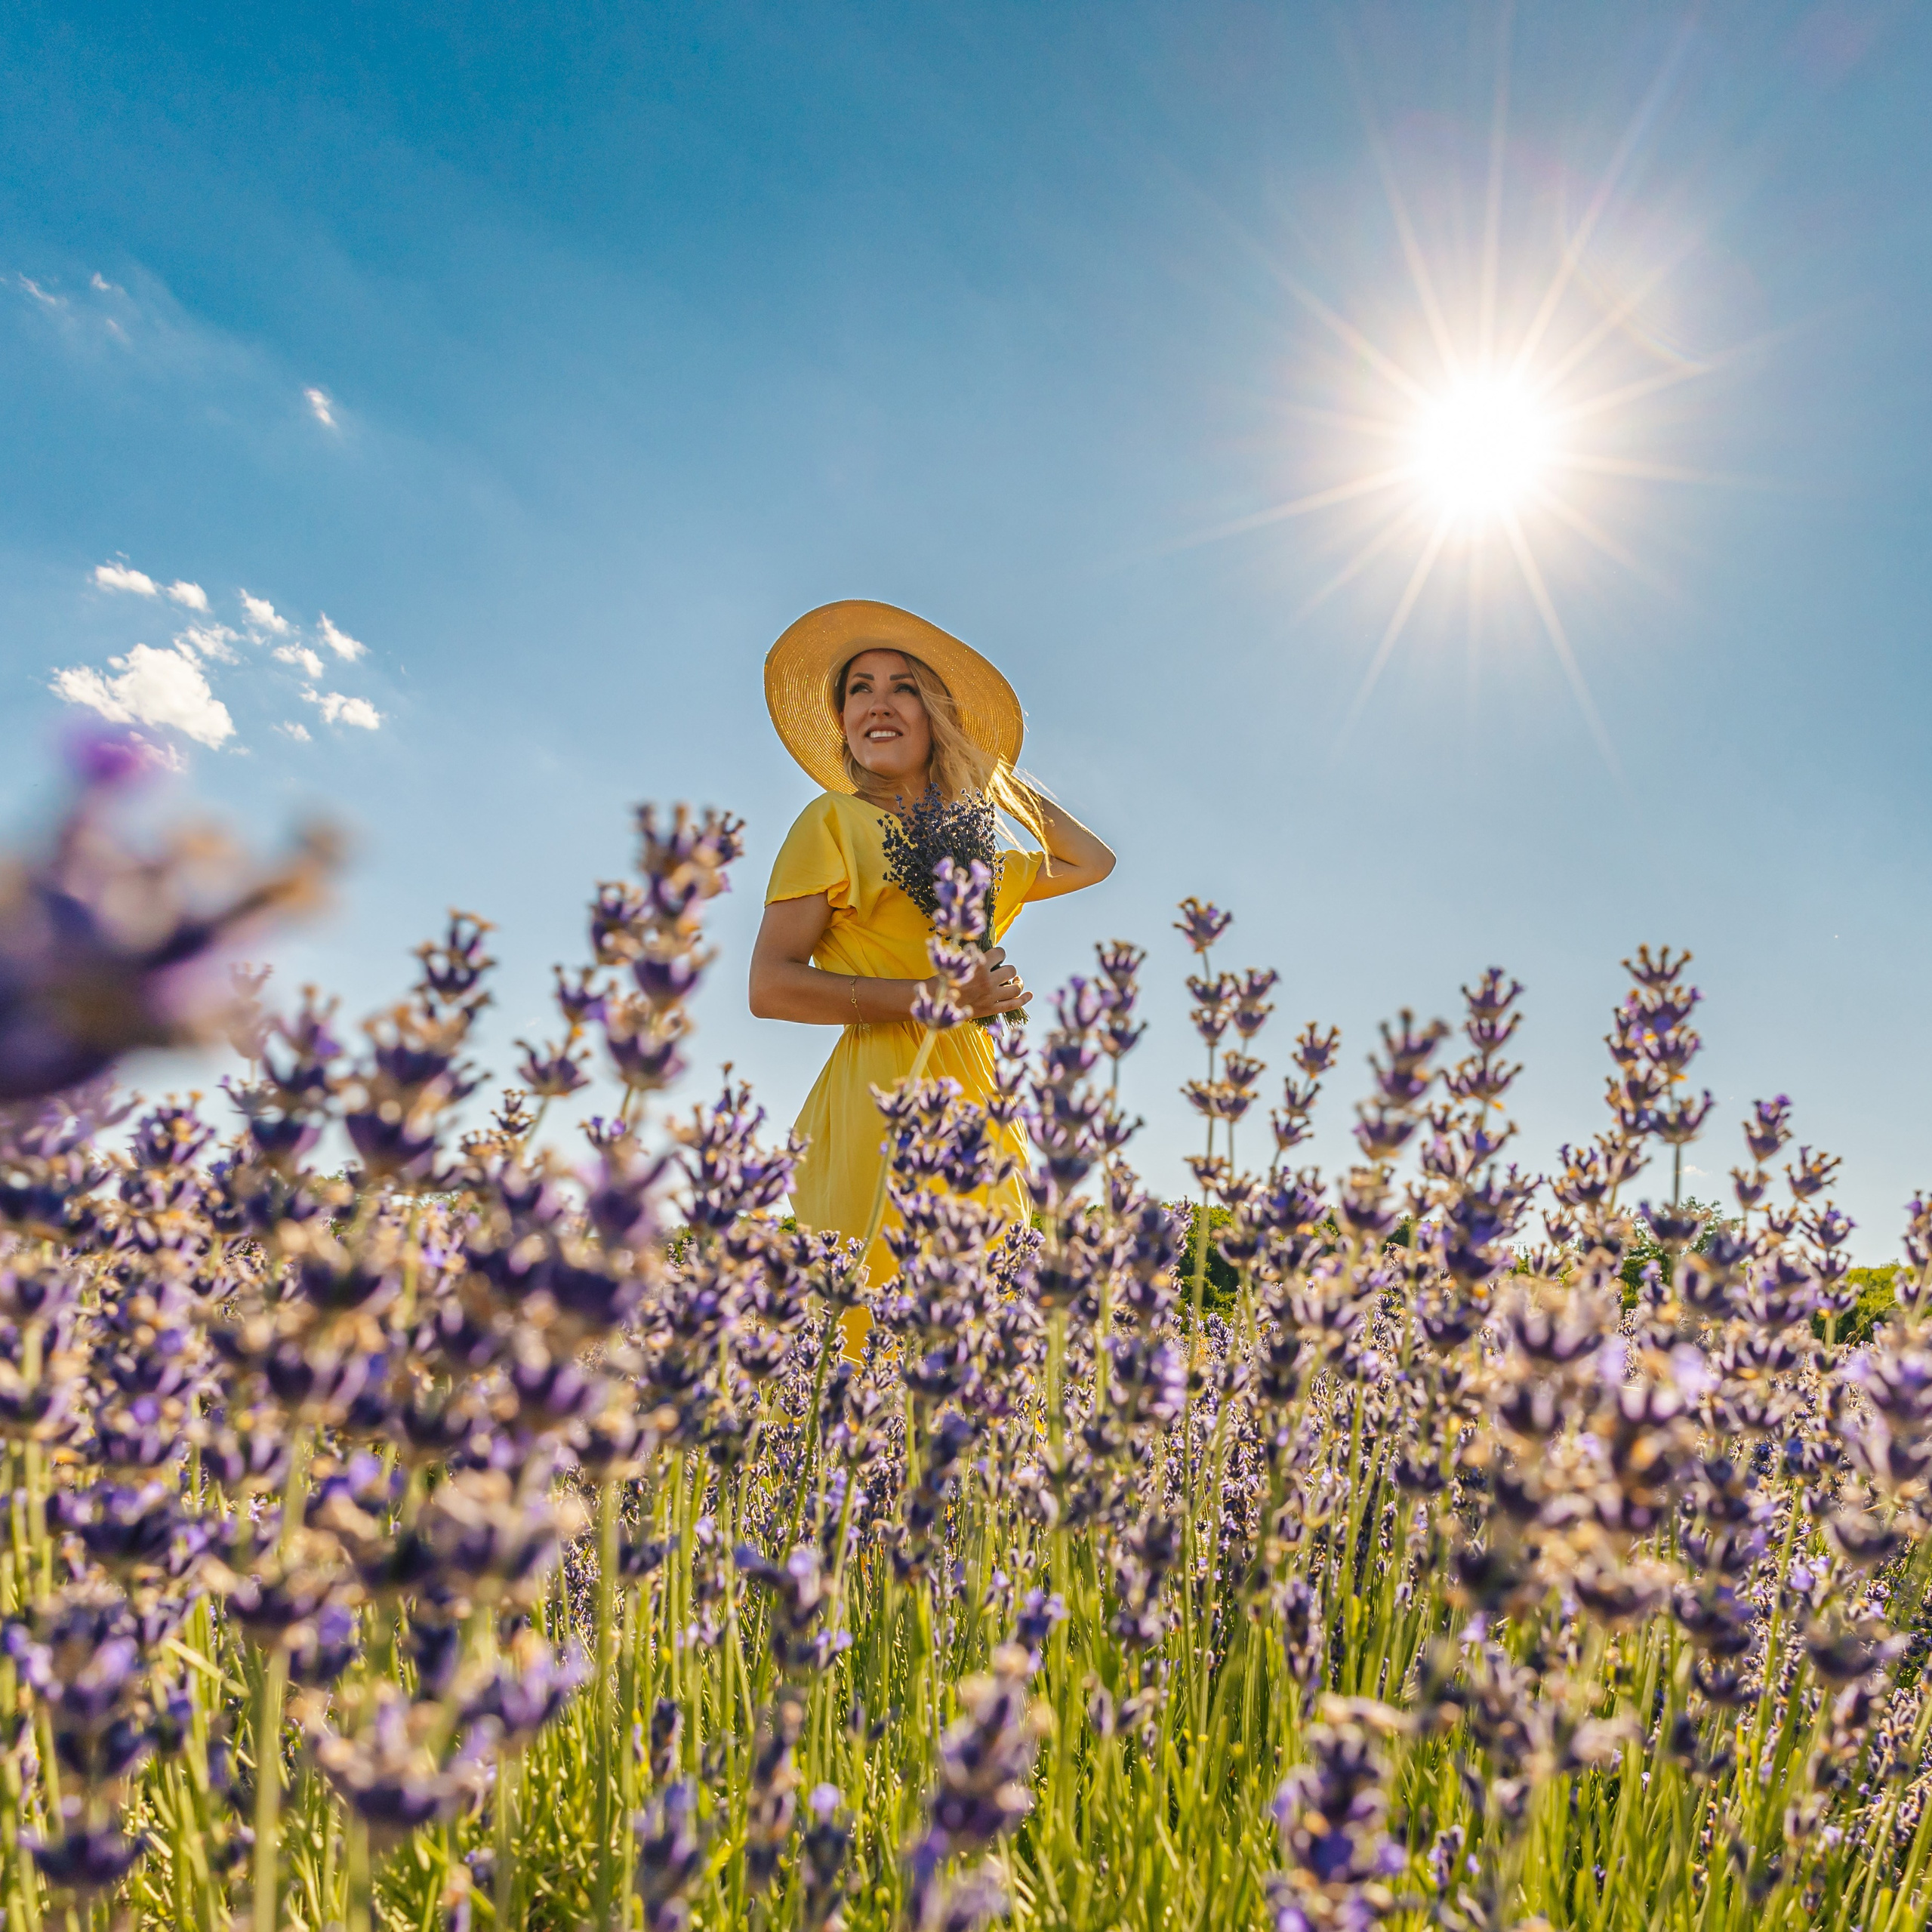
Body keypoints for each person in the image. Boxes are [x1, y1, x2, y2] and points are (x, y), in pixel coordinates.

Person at [750, 599, 1114, 1285]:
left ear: (936, 718)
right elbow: (768, 986)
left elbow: (1089, 861)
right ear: (843, 720)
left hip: (979, 1095)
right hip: (880, 1095)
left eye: (903, 688)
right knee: (873, 1328)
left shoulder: (971, 858)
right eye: (860, 690)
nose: (877, 705)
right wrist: (936, 997)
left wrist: (991, 774)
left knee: (982, 1329)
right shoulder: (832, 820)